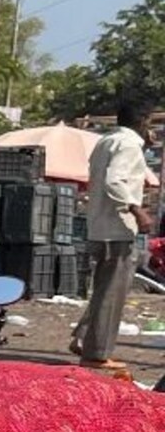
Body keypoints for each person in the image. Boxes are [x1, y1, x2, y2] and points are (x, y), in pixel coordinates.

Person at [74, 101, 155, 368]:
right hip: (117, 228)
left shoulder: (107, 141)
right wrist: (137, 210)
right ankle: (97, 353)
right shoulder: (129, 145)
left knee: (103, 288)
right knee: (112, 293)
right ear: (142, 121)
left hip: (99, 226)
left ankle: (84, 336)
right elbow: (115, 180)